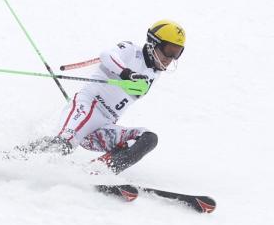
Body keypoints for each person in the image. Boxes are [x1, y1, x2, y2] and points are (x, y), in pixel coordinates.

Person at [17, 20, 186, 174]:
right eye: (169, 50)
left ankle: (100, 170)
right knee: (62, 145)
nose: (170, 59)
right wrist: (127, 73)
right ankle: (12, 158)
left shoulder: (155, 73)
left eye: (177, 53)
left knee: (148, 138)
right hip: (88, 107)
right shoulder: (131, 51)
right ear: (153, 43)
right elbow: (107, 56)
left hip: (104, 126)